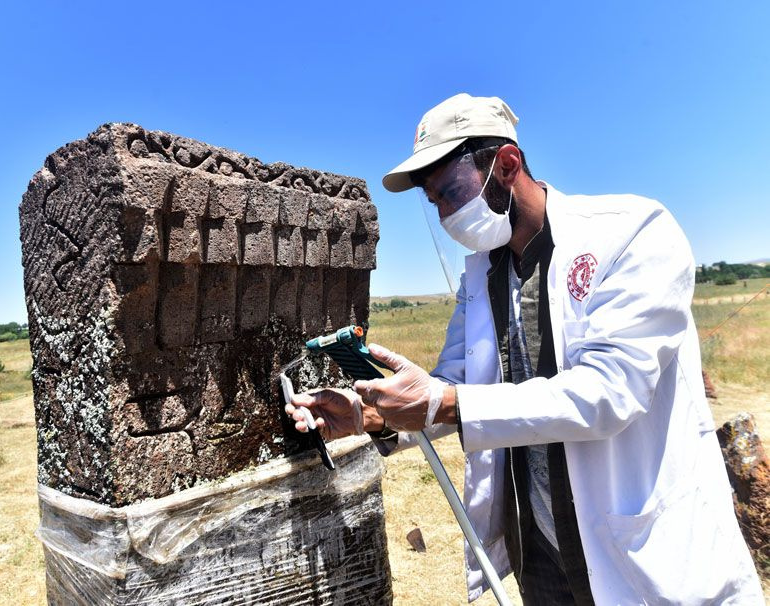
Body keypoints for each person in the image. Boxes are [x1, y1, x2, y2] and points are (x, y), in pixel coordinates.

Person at [286, 93, 762, 604]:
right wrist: (369, 415)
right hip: (541, 550)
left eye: (451, 191)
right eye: (435, 202)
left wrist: (444, 402)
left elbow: (609, 391)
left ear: (506, 165)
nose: (447, 214)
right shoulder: (483, 274)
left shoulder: (630, 233)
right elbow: (455, 387)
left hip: (639, 551)